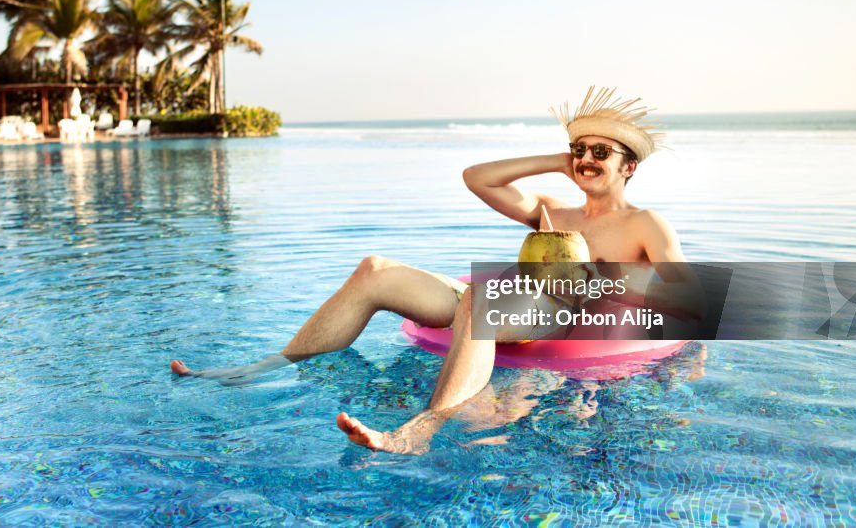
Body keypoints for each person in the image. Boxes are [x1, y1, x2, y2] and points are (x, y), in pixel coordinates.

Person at [171, 86, 688, 454]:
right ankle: (263, 368)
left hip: (570, 318)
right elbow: (477, 177)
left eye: (602, 152)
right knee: (375, 268)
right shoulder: (553, 207)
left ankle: (420, 431)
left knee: (483, 300)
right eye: (581, 151)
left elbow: (691, 297)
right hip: (517, 301)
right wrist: (556, 160)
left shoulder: (645, 224)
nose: (588, 160)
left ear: (630, 166)